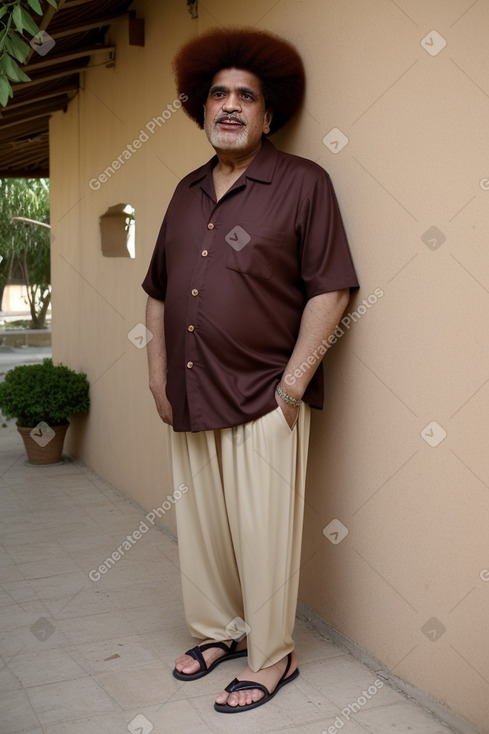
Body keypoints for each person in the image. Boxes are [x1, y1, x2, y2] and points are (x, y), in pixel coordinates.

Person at [142, 27, 359, 714]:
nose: (229, 106)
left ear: (268, 115)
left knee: (264, 536)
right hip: (189, 390)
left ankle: (272, 655)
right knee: (202, 529)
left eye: (246, 96)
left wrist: (291, 385)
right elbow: (156, 293)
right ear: (202, 111)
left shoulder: (302, 184)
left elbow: (332, 290)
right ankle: (217, 633)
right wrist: (156, 378)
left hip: (264, 396)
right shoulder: (183, 191)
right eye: (217, 95)